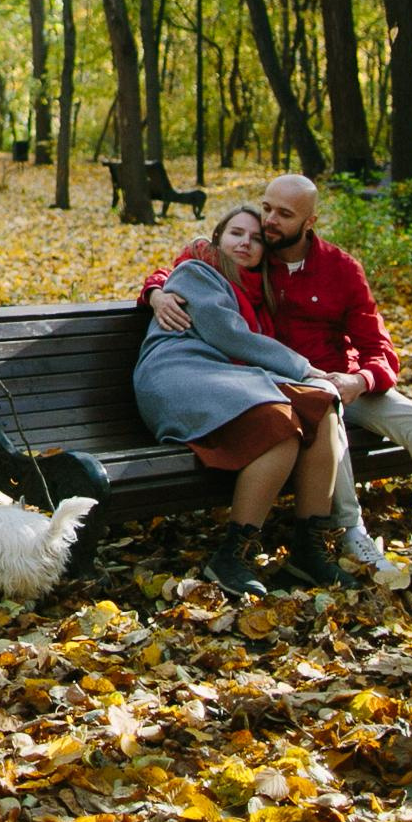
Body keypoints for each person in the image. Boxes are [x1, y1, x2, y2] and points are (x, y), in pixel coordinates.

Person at [144, 174, 412, 587]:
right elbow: (190, 269)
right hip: (286, 383)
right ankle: (350, 536)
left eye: (283, 214)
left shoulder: (340, 269)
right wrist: (156, 292)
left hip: (342, 380)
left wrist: (360, 380)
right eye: (267, 208)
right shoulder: (254, 257)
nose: (268, 223)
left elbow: (379, 348)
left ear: (309, 222)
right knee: (325, 417)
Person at [132, 206, 350, 596]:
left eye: (255, 239)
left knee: (322, 406)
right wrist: (303, 368)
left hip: (229, 380)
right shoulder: (197, 272)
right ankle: (233, 555)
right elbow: (228, 334)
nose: (245, 243)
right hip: (177, 376)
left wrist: (320, 380)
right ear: (217, 239)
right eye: (236, 233)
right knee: (278, 425)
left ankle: (310, 550)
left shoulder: (257, 294)